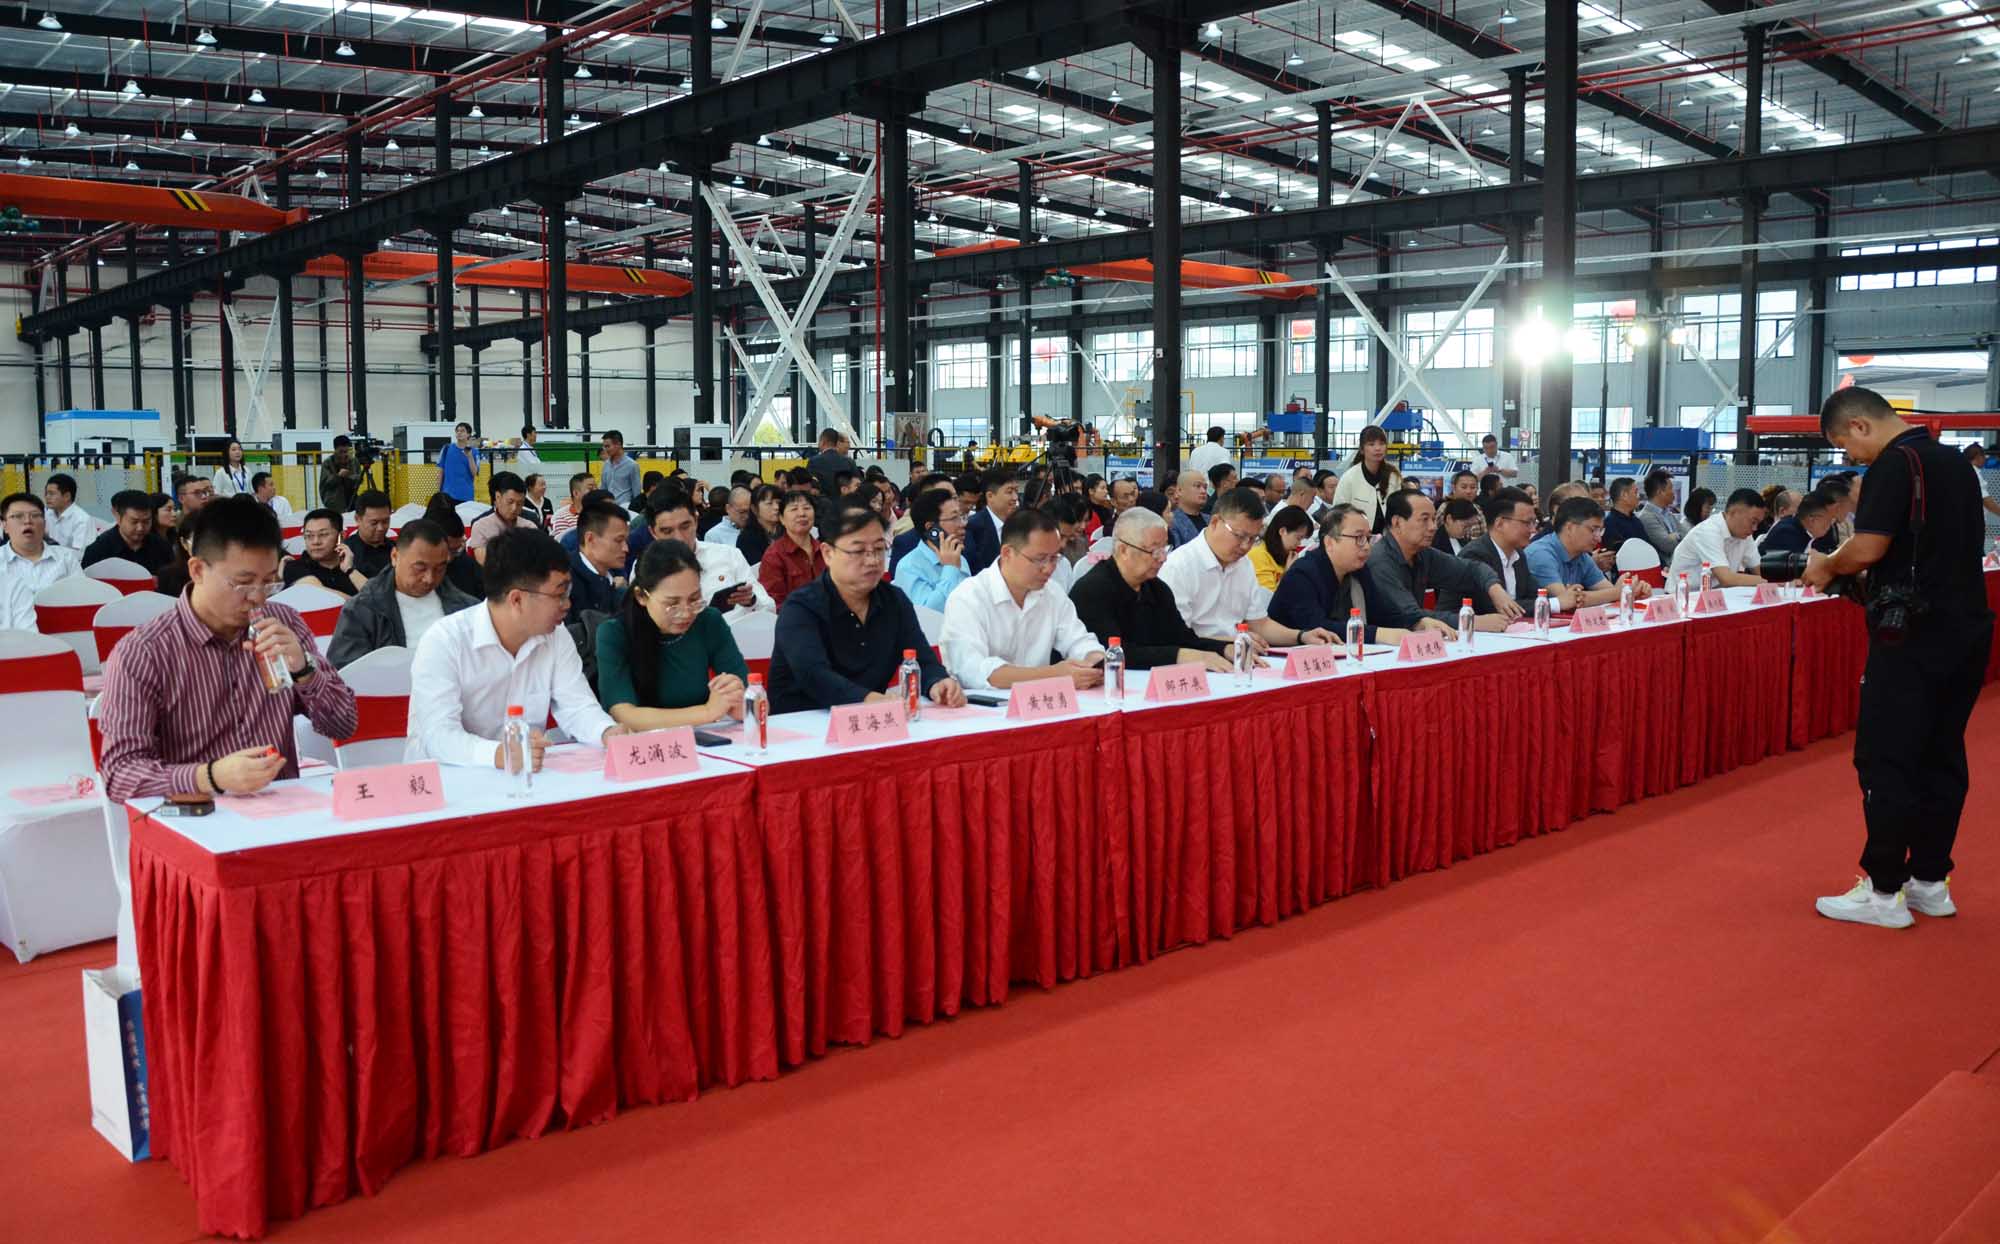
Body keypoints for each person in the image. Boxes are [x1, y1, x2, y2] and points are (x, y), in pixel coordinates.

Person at [1804, 387, 1995, 928]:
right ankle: (1930, 881)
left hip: (1910, 633)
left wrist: (1826, 565)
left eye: (1846, 446)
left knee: (1887, 758)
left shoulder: (1895, 464)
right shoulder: (1956, 464)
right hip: (1966, 629)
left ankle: (1883, 890)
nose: (1851, 458)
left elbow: (1868, 547)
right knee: (1941, 754)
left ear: (1860, 425)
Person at [98, 496, 356, 802]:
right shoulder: (145, 652)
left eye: (269, 583)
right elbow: (119, 774)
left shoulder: (283, 624)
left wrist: (304, 670)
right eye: (243, 584)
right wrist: (210, 776)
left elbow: (343, 724)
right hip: (195, 818)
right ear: (197, 570)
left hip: (280, 813)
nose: (258, 597)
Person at [406, 528, 629, 769]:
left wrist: (606, 732)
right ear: (516, 599)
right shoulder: (445, 641)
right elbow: (438, 736)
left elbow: (577, 706)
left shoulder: (556, 635)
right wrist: (500, 754)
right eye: (559, 594)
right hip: (447, 778)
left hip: (525, 775)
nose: (567, 605)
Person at [769, 507, 966, 713]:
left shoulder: (893, 600)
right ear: (828, 553)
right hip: (802, 721)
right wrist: (870, 700)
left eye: (879, 549)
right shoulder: (800, 607)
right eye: (858, 551)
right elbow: (815, 676)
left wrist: (938, 682)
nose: (872, 560)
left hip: (872, 718)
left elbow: (922, 659)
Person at [940, 508, 1106, 691]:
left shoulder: (1052, 593)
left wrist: (1094, 661)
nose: (1049, 568)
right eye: (1040, 559)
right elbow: (973, 671)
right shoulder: (968, 597)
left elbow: (1079, 640)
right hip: (982, 706)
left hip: (1042, 702)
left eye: (1054, 558)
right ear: (1007, 553)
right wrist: (1054, 675)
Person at [1157, 486, 1336, 651]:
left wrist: (1301, 636)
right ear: (1215, 522)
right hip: (1198, 659)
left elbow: (1259, 624)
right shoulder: (1179, 566)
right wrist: (1231, 642)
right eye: (1239, 536)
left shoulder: (1244, 564)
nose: (1245, 546)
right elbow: (1178, 637)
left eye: (1252, 539)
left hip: (1239, 654)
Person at [595, 539, 750, 729]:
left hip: (703, 737)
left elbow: (752, 696)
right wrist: (707, 712)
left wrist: (741, 702)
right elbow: (624, 715)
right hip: (644, 742)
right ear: (641, 596)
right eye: (672, 604)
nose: (685, 613)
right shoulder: (614, 633)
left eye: (694, 599)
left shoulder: (708, 621)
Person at [1067, 508, 1235, 672]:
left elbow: (1183, 639)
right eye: (1154, 551)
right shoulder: (1091, 590)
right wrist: (1179, 656)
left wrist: (1224, 649)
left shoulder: (1157, 589)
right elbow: (1111, 653)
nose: (1163, 558)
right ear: (1123, 550)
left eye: (1165, 549)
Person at [326, 519, 478, 668]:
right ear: (394, 557)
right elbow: (345, 671)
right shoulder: (363, 609)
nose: (429, 578)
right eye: (420, 568)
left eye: (439, 569)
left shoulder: (466, 608)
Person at [1364, 490, 1522, 632]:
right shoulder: (1380, 561)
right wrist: (1471, 621)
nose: (1433, 527)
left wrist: (1495, 589)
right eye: (1424, 519)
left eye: (1433, 519)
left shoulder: (1423, 554)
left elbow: (1472, 569)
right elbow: (1411, 615)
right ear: (1397, 522)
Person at [644, 488, 770, 620]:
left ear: (696, 520)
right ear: (653, 532)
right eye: (667, 531)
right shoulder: (646, 568)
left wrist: (752, 601)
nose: (679, 538)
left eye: (685, 526)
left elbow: (769, 607)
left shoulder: (728, 555)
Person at [1524, 497, 1643, 610]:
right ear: (1570, 528)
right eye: (1593, 530)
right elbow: (1568, 601)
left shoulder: (1582, 556)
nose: (1598, 538)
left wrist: (1636, 590)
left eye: (1600, 530)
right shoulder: (1540, 554)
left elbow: (1609, 592)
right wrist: (1621, 591)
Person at [0, 491, 80, 630]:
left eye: (35, 515)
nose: (28, 521)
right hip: (12, 638)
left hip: (63, 633)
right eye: (18, 516)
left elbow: (82, 598)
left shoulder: (66, 558)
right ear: (4, 525)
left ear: (44, 524)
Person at [1460, 487, 1547, 613]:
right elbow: (1493, 607)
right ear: (1500, 524)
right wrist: (1555, 603)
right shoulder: (1475, 554)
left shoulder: (1518, 555)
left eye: (1534, 522)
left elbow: (1535, 595)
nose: (1533, 530)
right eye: (1527, 523)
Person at [891, 486, 970, 611]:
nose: (963, 524)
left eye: (962, 516)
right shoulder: (909, 567)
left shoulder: (960, 558)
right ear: (932, 528)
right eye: (954, 518)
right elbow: (928, 613)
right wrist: (950, 568)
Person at [1669, 487, 1766, 586]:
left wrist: (1770, 578)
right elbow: (1727, 579)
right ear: (1733, 512)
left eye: (1758, 523)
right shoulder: (1708, 531)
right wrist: (1770, 580)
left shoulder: (1744, 535)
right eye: (1753, 522)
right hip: (1683, 593)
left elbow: (1761, 571)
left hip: (1716, 593)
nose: (1755, 528)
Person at [759, 488, 827, 609]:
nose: (802, 514)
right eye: (794, 509)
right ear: (781, 519)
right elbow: (774, 603)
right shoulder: (774, 556)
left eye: (807, 508)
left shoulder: (825, 550)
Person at [80, 489, 173, 573]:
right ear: (118, 517)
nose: (140, 528)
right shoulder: (98, 551)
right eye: (134, 522)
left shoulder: (162, 547)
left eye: (146, 521)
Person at [282, 508, 369, 595]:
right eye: (309, 535)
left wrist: (349, 570)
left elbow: (375, 597)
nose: (316, 542)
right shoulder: (295, 567)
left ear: (341, 536)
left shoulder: (359, 565)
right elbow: (323, 595)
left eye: (323, 534)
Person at [567, 500, 631, 617]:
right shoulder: (564, 582)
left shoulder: (614, 578)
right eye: (618, 540)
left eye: (626, 541)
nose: (625, 548)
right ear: (590, 539)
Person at [1333, 425, 1401, 533]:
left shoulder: (1394, 476)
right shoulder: (1349, 477)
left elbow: (1400, 510)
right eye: (1371, 444)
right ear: (1362, 449)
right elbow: (1337, 513)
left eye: (1381, 444)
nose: (1377, 448)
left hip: (1389, 537)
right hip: (1357, 536)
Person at [467, 472, 540, 564]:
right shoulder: (481, 526)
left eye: (519, 503)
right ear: (498, 497)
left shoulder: (530, 526)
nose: (514, 508)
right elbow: (485, 563)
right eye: (510, 502)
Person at [888, 474, 956, 571]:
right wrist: (951, 568)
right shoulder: (906, 544)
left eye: (954, 497)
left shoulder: (965, 536)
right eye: (943, 498)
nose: (952, 503)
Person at [962, 466, 1019, 575]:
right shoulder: (972, 528)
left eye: (1016, 491)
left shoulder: (1019, 524)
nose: (1015, 497)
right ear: (990, 496)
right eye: (1009, 492)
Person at [1250, 504, 1311, 590]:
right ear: (1282, 531)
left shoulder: (1285, 556)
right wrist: (1288, 572)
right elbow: (1268, 596)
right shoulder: (1259, 555)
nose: (1299, 543)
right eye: (1298, 538)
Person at [1637, 470, 1688, 563]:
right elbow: (1667, 545)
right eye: (1671, 488)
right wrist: (1678, 535)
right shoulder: (1646, 517)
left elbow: (1687, 537)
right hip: (1664, 569)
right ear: (1660, 492)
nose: (1673, 493)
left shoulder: (1669, 515)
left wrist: (1675, 536)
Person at [344, 491, 396, 579]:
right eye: (374, 523)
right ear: (357, 519)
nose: (380, 528)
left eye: (385, 522)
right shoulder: (346, 552)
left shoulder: (397, 550)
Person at [1760, 493, 1833, 556]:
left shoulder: (1806, 530)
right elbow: (1801, 565)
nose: (1830, 525)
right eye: (1829, 520)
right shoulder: (1786, 531)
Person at [735, 482, 783, 570]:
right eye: (769, 503)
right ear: (754, 508)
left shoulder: (789, 531)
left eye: (779, 502)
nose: (776, 507)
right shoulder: (747, 538)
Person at [805, 427, 857, 497]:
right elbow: (857, 483)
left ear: (823, 442)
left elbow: (809, 485)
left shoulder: (814, 462)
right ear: (836, 443)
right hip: (846, 501)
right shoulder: (849, 461)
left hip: (823, 501)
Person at [438, 422, 482, 503]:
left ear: (468, 434)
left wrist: (469, 456)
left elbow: (474, 473)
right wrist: (439, 492)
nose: (459, 433)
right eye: (457, 431)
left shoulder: (475, 452)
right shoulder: (446, 448)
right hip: (447, 495)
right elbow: (440, 472)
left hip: (466, 496)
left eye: (462, 431)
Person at [1601, 477, 1646, 553]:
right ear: (1624, 495)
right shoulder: (1610, 523)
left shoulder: (1636, 521)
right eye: (1635, 492)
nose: (1639, 496)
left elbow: (1647, 546)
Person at [319, 435, 362, 516]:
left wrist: (349, 476)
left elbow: (359, 479)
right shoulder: (328, 463)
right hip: (334, 503)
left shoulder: (354, 461)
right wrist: (338, 476)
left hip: (352, 500)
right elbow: (325, 483)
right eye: (341, 452)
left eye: (346, 451)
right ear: (335, 450)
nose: (344, 454)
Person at [1167, 469, 1209, 549]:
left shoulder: (1210, 520)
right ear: (1179, 490)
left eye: (1205, 487)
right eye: (1197, 486)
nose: (1203, 491)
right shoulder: (1172, 522)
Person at [598, 430, 640, 506]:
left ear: (618, 444)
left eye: (607, 446)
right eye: (604, 446)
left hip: (625, 507)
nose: (605, 449)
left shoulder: (632, 465)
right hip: (609, 507)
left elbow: (636, 492)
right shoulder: (606, 465)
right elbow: (603, 489)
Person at [550, 472, 595, 540]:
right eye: (590, 489)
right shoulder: (562, 518)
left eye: (596, 487)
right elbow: (564, 544)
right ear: (576, 493)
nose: (595, 491)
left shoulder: (602, 513)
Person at [1965, 443, 2000, 521]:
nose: (1985, 459)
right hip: (1973, 520)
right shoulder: (1974, 474)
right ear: (1978, 457)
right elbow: (1985, 500)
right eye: (1984, 456)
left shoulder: (1963, 471)